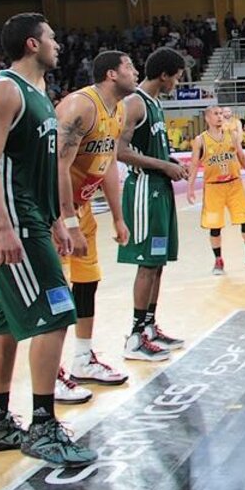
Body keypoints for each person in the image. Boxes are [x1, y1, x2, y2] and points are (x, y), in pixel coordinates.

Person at [0, 12, 97, 466]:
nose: (57, 45)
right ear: (31, 44)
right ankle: (43, 426)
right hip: (13, 221)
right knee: (57, 311)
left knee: (5, 320)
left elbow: (36, 167)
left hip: (32, 217)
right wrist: (2, 225)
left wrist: (56, 220)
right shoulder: (2, 88)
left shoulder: (38, 96)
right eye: (51, 39)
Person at [55, 50, 137, 394]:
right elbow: (56, 166)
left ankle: (83, 359)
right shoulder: (80, 106)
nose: (135, 71)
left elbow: (107, 165)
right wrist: (68, 221)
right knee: (55, 292)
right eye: (129, 67)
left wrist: (118, 216)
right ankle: (52, 373)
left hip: (82, 209)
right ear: (111, 75)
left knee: (88, 282)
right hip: (55, 214)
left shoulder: (117, 110)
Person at [116, 48, 191, 361]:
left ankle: (149, 327)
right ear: (164, 74)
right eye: (176, 76)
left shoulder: (155, 104)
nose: (177, 82)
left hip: (160, 190)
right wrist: (162, 167)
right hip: (145, 190)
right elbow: (119, 150)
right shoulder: (134, 103)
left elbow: (147, 148)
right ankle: (134, 337)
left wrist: (169, 161)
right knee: (147, 263)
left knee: (158, 263)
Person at [187, 105, 245, 275]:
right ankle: (218, 260)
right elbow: (194, 165)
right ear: (207, 118)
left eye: (221, 114)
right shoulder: (200, 140)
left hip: (234, 185)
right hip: (213, 188)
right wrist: (190, 187)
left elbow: (242, 157)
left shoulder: (232, 135)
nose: (220, 116)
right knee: (214, 226)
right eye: (216, 114)